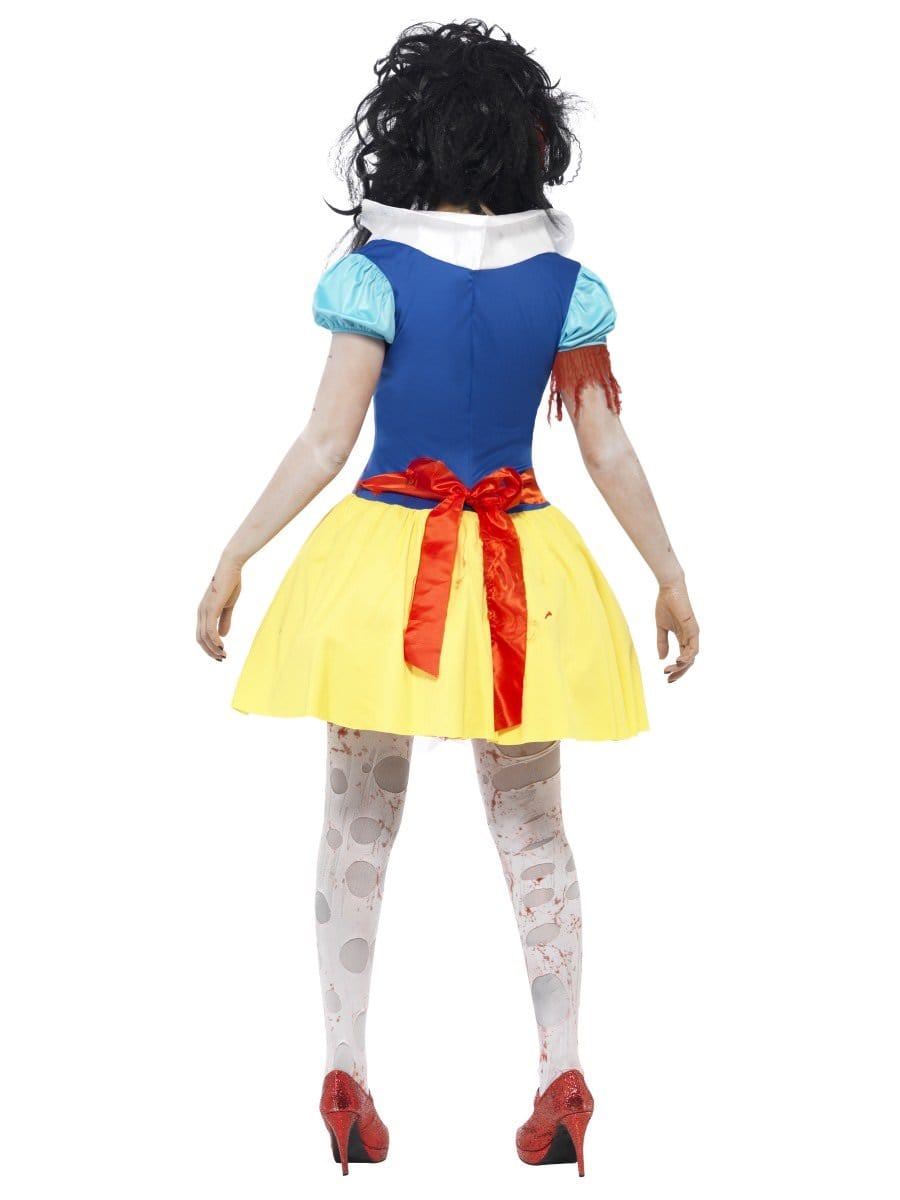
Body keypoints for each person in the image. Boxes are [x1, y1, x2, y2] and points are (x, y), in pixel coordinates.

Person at [196, 17, 699, 1176]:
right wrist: (669, 573)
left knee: (357, 824)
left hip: (387, 570)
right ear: (531, 142)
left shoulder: (374, 275)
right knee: (534, 829)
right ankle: (562, 1074)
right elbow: (607, 450)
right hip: (523, 568)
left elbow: (327, 442)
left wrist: (236, 553)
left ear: (408, 136)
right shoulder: (566, 289)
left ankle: (345, 1075)